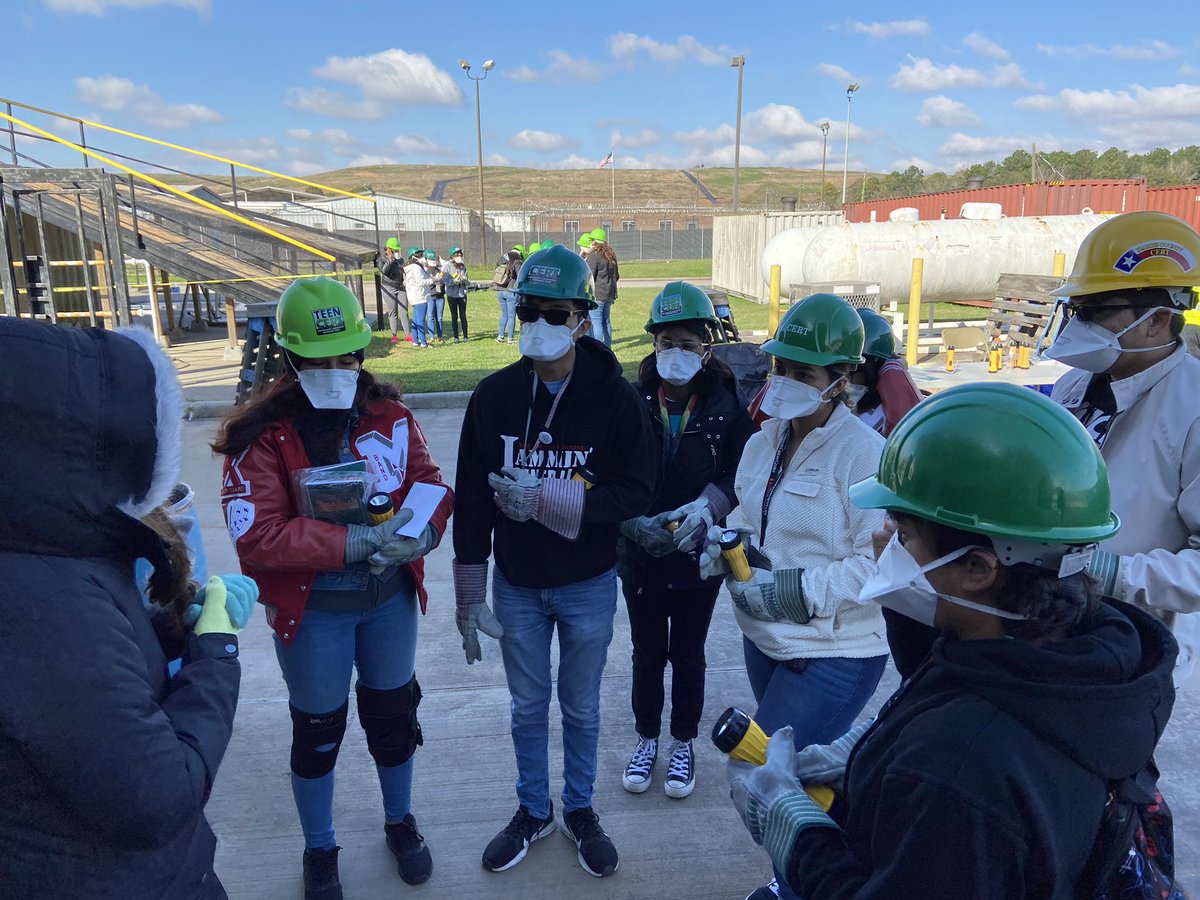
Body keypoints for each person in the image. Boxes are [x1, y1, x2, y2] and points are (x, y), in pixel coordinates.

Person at [727, 382, 1177, 898]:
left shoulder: (963, 764)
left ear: (978, 569)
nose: (880, 541)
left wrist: (794, 826)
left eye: (902, 533)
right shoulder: (1080, 658)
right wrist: (877, 748)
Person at [213, 278, 455, 898]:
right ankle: (320, 848)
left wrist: (421, 534)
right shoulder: (260, 436)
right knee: (318, 732)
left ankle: (400, 821)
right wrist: (349, 544)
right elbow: (258, 537)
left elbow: (429, 482)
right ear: (291, 359)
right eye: (319, 360)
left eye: (346, 355)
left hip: (389, 603)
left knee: (393, 718)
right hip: (314, 612)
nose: (336, 370)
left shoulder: (391, 416)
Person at [0, 318, 245, 898]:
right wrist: (216, 651)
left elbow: (87, 697)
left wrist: (171, 634)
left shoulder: (41, 547)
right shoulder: (46, 605)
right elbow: (155, 798)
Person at [452, 245, 655, 878]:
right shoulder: (493, 396)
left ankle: (580, 808)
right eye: (529, 311)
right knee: (525, 708)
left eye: (555, 313)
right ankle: (533, 809)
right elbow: (471, 493)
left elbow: (636, 491)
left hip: (588, 581)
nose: (539, 324)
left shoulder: (617, 400)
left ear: (583, 320)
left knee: (583, 708)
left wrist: (551, 498)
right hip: (517, 584)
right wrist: (468, 591)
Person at [699, 294, 890, 900]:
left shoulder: (863, 453)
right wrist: (726, 554)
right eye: (781, 366)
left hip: (835, 652)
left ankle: (800, 882)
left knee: (764, 774)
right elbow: (751, 527)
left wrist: (791, 591)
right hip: (766, 643)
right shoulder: (763, 442)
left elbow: (877, 562)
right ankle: (822, 874)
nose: (783, 381)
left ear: (841, 380)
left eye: (803, 373)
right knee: (804, 777)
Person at [1044, 210, 1200, 690]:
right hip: (1054, 621)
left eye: (1095, 311)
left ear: (1156, 321)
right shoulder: (1077, 384)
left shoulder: (1192, 408)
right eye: (1075, 310)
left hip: (1133, 647)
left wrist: (1108, 572)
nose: (1077, 326)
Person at [617, 281, 754, 800]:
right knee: (647, 652)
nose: (676, 353)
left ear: (706, 349)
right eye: (666, 342)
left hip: (698, 557)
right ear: (653, 346)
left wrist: (707, 509)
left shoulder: (725, 408)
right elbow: (607, 470)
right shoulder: (631, 402)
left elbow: (739, 472)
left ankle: (682, 743)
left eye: (688, 344)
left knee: (689, 652)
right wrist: (632, 524)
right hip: (641, 554)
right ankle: (646, 738)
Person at [586, 228, 619, 347]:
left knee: (596, 322)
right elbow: (617, 275)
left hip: (598, 294)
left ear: (594, 242)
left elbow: (589, 276)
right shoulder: (611, 255)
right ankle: (607, 347)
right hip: (610, 294)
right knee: (606, 321)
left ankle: (598, 348)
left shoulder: (593, 256)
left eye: (591, 240)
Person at [378, 236, 410, 345]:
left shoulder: (400, 260)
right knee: (393, 312)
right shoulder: (381, 259)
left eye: (397, 250)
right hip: (388, 287)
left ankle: (407, 334)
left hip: (401, 287)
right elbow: (384, 271)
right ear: (389, 249)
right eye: (395, 250)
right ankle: (394, 335)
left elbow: (404, 271)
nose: (397, 251)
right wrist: (390, 259)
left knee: (404, 311)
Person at [403, 247, 431, 349]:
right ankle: (423, 343)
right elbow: (421, 282)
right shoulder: (416, 268)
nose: (422, 256)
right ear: (414, 257)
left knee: (415, 320)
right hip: (420, 297)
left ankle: (415, 341)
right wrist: (433, 279)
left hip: (414, 297)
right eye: (419, 255)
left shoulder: (410, 267)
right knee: (420, 321)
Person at [496, 244, 524, 345]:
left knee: (504, 314)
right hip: (510, 291)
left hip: (500, 290)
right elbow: (520, 274)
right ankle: (510, 339)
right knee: (511, 316)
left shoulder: (503, 258)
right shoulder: (516, 260)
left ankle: (500, 336)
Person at [443, 245, 471, 342]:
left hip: (462, 294)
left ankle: (465, 336)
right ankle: (456, 337)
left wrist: (464, 280)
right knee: (454, 316)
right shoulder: (447, 266)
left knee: (463, 315)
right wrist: (454, 281)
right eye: (457, 254)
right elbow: (446, 282)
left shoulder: (463, 266)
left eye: (460, 254)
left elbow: (468, 281)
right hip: (452, 295)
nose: (459, 256)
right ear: (452, 256)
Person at [424, 249, 446, 344]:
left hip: (440, 296)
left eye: (433, 259)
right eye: (430, 259)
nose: (432, 261)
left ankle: (440, 336)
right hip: (431, 296)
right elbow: (426, 283)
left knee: (439, 317)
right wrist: (434, 280)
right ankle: (432, 336)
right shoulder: (425, 271)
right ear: (426, 260)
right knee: (430, 316)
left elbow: (443, 280)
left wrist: (440, 279)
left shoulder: (439, 269)